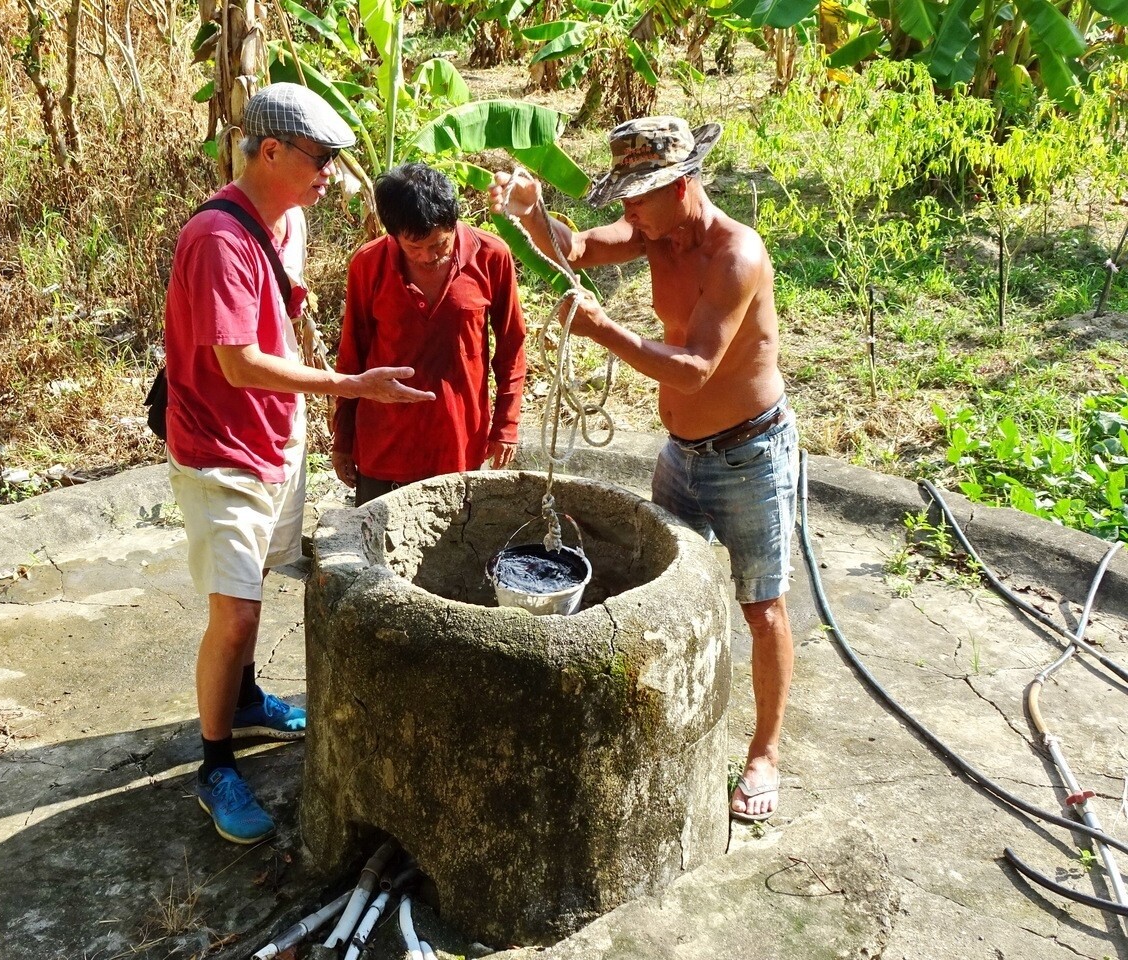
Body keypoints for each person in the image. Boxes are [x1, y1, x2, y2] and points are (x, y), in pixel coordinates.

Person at [489, 118, 798, 822]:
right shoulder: (653, 232)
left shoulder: (735, 255)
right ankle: (678, 719)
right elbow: (571, 247)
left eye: (637, 196)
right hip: (682, 454)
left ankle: (764, 755)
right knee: (669, 584)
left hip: (750, 454)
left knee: (762, 605)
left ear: (681, 184)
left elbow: (693, 370)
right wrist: (531, 209)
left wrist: (601, 328)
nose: (625, 212)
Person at [164, 83, 435, 844]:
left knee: (258, 584)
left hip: (275, 438)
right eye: (319, 159)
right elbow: (240, 364)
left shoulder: (291, 222)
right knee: (236, 610)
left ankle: (245, 699)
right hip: (222, 448)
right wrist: (352, 386)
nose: (330, 174)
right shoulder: (219, 239)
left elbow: (280, 321)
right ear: (271, 151)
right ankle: (214, 765)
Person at [332, 163, 527, 504]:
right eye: (414, 248)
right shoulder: (367, 264)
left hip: (458, 442)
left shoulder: (492, 256)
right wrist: (343, 439)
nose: (428, 257)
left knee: (454, 547)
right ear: (393, 234)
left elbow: (511, 346)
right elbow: (352, 356)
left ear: (454, 223)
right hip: (384, 445)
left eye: (439, 245)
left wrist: (506, 425)